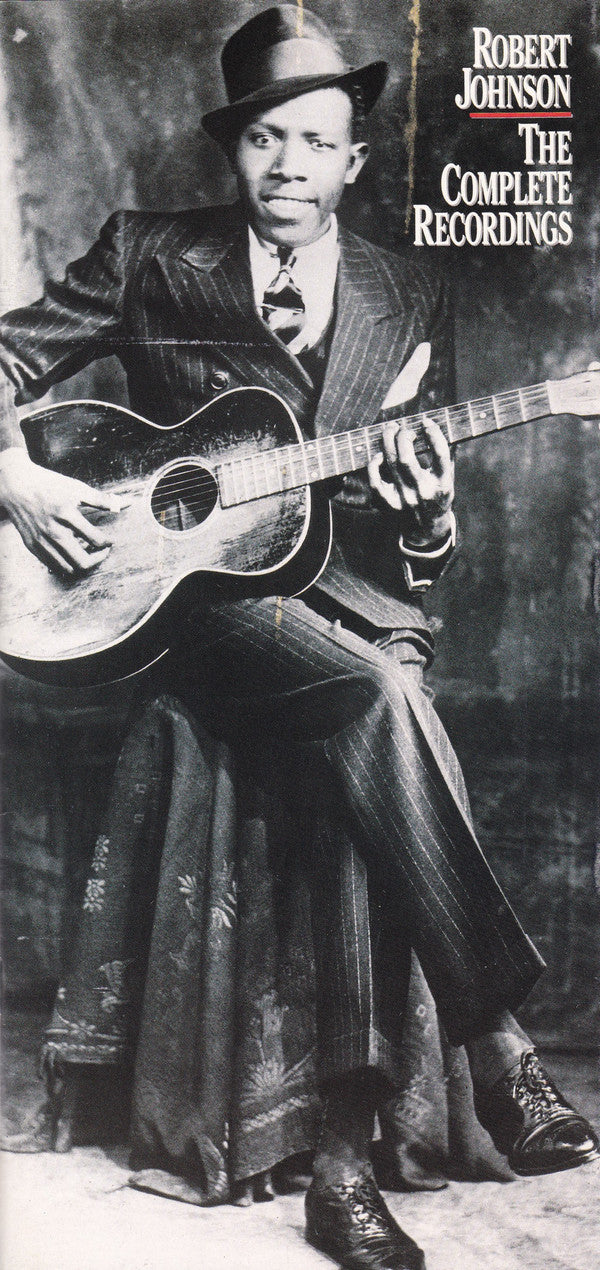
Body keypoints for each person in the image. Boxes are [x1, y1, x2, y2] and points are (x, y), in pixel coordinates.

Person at [0, 8, 597, 1269]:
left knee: (366, 713)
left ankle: (341, 1171)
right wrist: (17, 479)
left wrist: (429, 516)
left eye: (316, 142)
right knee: (378, 702)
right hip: (196, 608)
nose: (288, 165)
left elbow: (423, 529)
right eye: (266, 138)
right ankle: (496, 1045)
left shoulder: (410, 290)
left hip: (359, 606)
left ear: (354, 160)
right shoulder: (151, 254)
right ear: (234, 148)